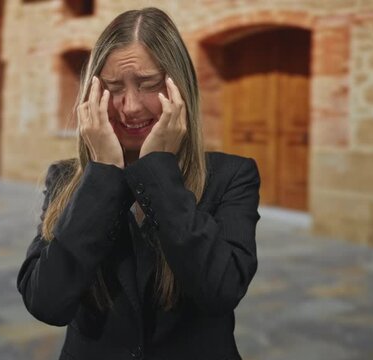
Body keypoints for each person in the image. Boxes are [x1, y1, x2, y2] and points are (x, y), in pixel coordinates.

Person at [17, 7, 260, 360]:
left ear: (180, 89)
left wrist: (158, 171)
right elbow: (47, 302)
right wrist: (102, 174)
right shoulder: (67, 178)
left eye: (148, 84)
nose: (130, 106)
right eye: (114, 87)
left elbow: (220, 290)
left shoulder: (232, 177)